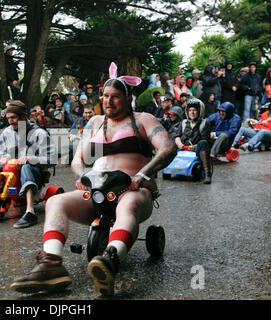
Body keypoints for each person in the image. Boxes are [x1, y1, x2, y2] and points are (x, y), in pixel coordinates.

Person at [9, 62, 176, 297]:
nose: (109, 101)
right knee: (55, 202)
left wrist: (142, 174)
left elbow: (167, 149)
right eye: (105, 96)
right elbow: (78, 159)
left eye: (116, 97)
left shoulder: (142, 120)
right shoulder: (96, 123)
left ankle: (110, 260)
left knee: (127, 205)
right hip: (96, 190)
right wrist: (82, 176)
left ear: (128, 99)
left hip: (133, 190)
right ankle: (51, 265)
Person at [174, 99, 213, 184]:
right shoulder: (184, 122)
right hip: (182, 149)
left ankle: (207, 174)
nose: (192, 112)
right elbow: (177, 136)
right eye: (190, 110)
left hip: (197, 150)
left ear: (199, 111)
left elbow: (205, 140)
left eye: (194, 110)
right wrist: (179, 143)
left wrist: (194, 147)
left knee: (203, 143)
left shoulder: (204, 123)